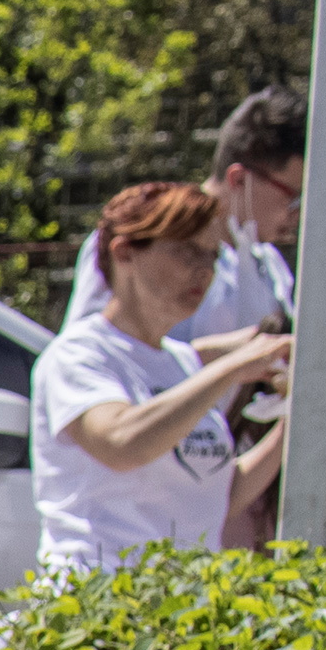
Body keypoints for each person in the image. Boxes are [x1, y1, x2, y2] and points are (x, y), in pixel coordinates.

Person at [38, 181, 301, 580]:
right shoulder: (78, 354)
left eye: (212, 256)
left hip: (180, 601)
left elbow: (215, 497)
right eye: (186, 251)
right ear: (125, 252)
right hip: (97, 599)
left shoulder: (181, 362)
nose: (204, 271)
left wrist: (293, 423)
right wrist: (228, 369)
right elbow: (122, 444)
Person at [57, 83, 300, 354]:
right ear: (240, 179)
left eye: (211, 257)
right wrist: (236, 357)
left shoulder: (269, 266)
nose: (298, 214)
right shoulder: (140, 237)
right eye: (293, 196)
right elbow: (86, 355)